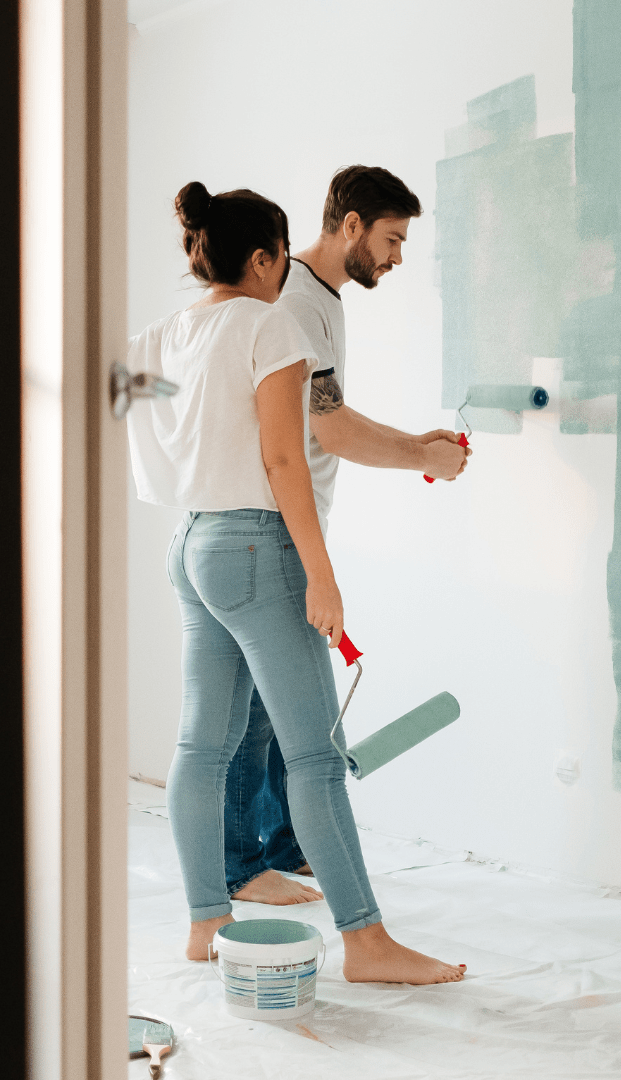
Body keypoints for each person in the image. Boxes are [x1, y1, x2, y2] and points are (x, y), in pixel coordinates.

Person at [127, 180, 465, 984]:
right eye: (280, 261)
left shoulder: (168, 332)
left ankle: (207, 921)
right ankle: (368, 943)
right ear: (264, 257)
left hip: (191, 542)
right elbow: (286, 461)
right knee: (315, 756)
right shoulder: (269, 323)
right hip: (255, 546)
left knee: (199, 746)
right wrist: (323, 576)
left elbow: (136, 406)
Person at [223, 166, 471, 906]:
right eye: (392, 239)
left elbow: (329, 413)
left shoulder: (318, 300)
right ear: (352, 225)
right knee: (259, 711)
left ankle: (283, 846)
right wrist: (423, 458)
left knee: (272, 707)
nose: (397, 257)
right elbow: (327, 427)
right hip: (268, 531)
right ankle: (244, 864)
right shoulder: (298, 301)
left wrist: (414, 441)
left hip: (283, 529)